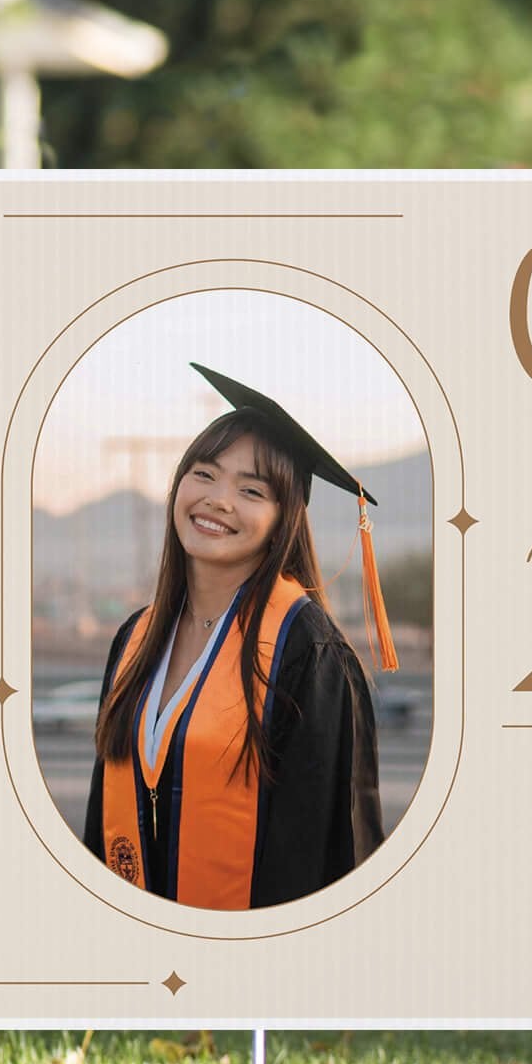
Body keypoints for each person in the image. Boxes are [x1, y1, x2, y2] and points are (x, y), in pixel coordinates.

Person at [81, 361, 394, 908]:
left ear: (283, 518)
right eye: (203, 474)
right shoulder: (137, 637)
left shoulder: (306, 652)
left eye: (251, 489)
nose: (218, 500)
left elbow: (330, 849)